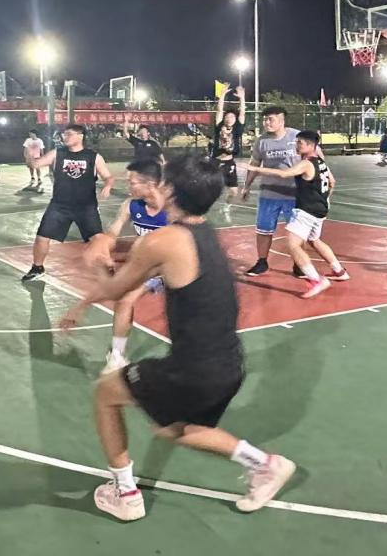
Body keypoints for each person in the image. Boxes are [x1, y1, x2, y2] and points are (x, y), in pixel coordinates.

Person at [57, 155, 297, 522]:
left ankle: (126, 494)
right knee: (172, 429)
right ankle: (266, 465)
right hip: (228, 365)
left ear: (168, 189)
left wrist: (96, 260)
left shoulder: (163, 240)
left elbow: (116, 288)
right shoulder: (205, 233)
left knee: (105, 393)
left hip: (192, 370)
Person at [83, 158, 170, 375]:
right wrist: (103, 248)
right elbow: (113, 232)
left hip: (174, 267)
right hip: (149, 268)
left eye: (132, 182)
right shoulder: (131, 205)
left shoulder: (173, 209)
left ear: (150, 184)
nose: (127, 186)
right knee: (125, 300)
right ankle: (116, 355)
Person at [244, 130, 347, 298]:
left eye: (300, 143)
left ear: (310, 145)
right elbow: (332, 182)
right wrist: (325, 199)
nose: (296, 146)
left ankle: (316, 280)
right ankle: (339, 271)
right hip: (320, 210)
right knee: (314, 240)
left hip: (307, 211)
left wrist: (254, 168)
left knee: (292, 245)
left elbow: (284, 173)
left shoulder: (306, 163)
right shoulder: (321, 162)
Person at [21, 124, 114, 281]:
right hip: (59, 205)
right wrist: (29, 156)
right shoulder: (58, 153)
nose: (65, 137)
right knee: (42, 236)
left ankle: (109, 268)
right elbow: (36, 164)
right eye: (64, 134)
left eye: (69, 134)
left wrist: (108, 186)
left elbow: (108, 176)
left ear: (80, 136)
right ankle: (37, 267)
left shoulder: (93, 156)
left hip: (86, 206)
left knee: (97, 239)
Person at [240, 106, 302, 276]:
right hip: (269, 194)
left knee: (297, 232)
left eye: (270, 119)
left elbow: (313, 157)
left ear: (282, 121)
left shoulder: (296, 136)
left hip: (294, 194)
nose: (266, 122)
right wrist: (247, 186)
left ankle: (299, 264)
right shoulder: (261, 141)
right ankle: (262, 262)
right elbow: (254, 164)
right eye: (265, 119)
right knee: (263, 230)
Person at [211, 86, 246, 204]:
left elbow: (242, 112)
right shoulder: (219, 126)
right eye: (227, 116)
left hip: (229, 162)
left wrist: (242, 98)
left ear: (235, 119)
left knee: (234, 192)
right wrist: (222, 95)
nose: (229, 118)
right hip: (216, 162)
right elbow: (219, 110)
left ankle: (226, 206)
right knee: (211, 188)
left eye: (232, 117)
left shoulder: (237, 129)